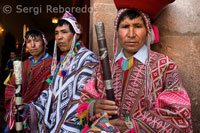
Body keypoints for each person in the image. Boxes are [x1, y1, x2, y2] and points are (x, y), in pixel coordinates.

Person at [77, 0, 193, 132]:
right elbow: (84, 102)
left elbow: (179, 115)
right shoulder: (104, 68)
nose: (131, 34)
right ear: (117, 31)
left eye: (138, 26)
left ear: (148, 30)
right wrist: (93, 107)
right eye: (125, 27)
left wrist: (134, 125)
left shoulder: (165, 66)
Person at [20, 11, 98, 132]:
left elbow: (84, 98)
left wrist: (68, 126)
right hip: (54, 124)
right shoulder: (62, 62)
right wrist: (31, 109)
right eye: (56, 33)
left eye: (64, 32)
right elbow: (51, 91)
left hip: (72, 127)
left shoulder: (87, 58)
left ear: (76, 34)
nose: (59, 37)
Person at [4, 29, 53, 131]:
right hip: (19, 112)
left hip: (41, 115)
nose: (33, 45)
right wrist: (15, 103)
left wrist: (30, 108)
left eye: (36, 41)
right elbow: (11, 85)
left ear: (44, 43)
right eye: (29, 42)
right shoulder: (24, 64)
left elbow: (52, 91)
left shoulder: (52, 64)